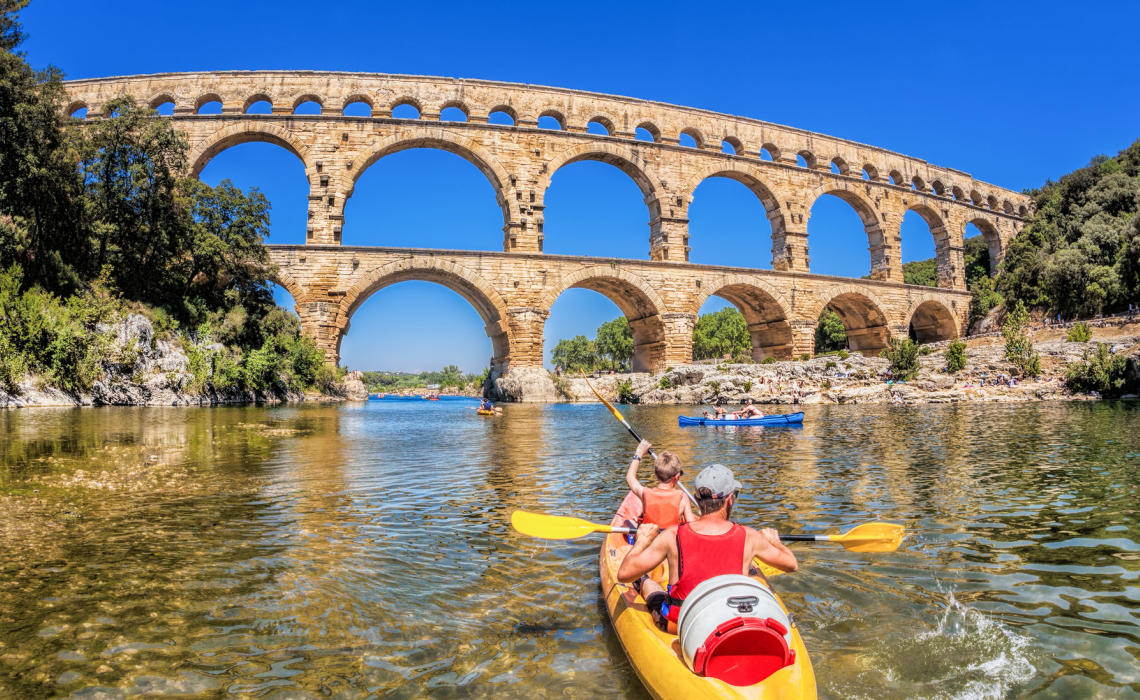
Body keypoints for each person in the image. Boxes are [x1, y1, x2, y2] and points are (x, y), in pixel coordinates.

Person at [617, 465, 798, 632]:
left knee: (649, 583)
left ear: (696, 498)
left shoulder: (672, 535)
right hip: (729, 622)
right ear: (730, 500)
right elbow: (791, 565)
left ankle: (645, 582)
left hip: (680, 626)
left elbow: (624, 574)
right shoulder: (750, 536)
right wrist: (775, 541)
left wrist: (642, 539)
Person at [625, 440, 695, 529]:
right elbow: (692, 526)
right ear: (677, 476)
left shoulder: (644, 493)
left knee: (627, 522)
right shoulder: (682, 497)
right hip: (671, 542)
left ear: (655, 474)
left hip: (649, 541)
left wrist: (638, 454)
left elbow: (630, 478)